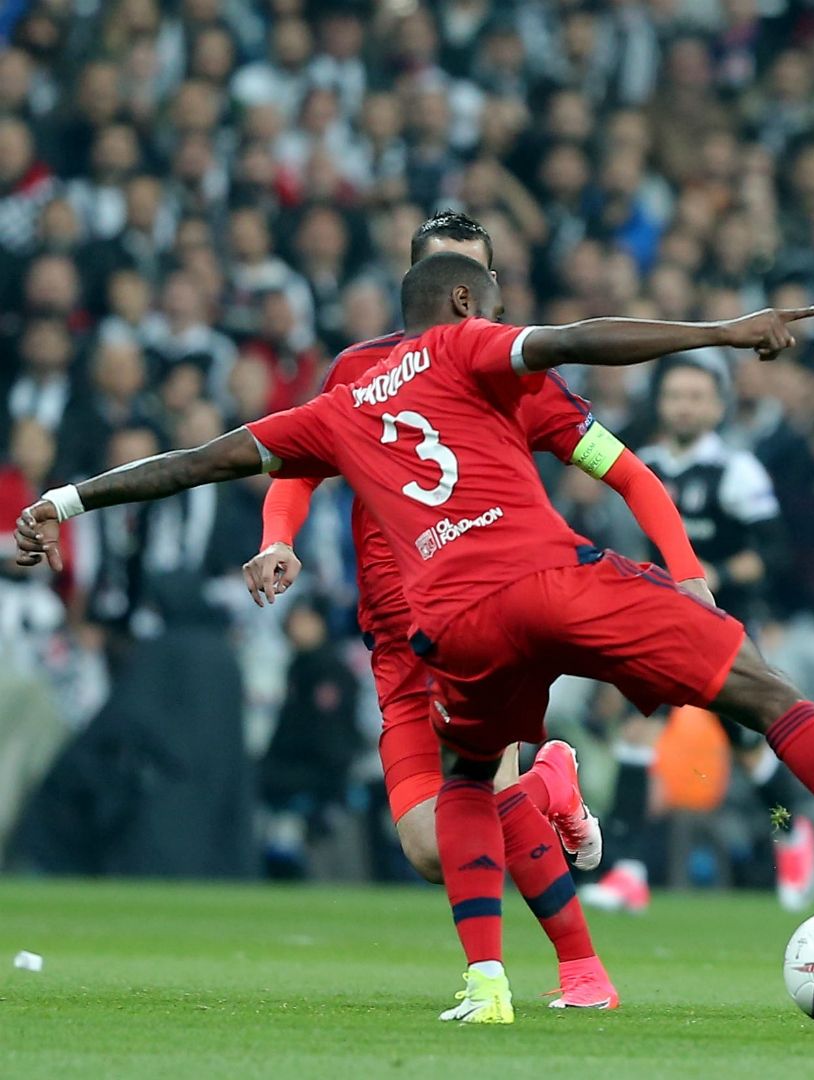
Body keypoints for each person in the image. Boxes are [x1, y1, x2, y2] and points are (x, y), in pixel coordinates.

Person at [15, 253, 814, 1026]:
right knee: (765, 695)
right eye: (489, 298)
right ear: (465, 306)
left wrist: (65, 498)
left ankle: (490, 980)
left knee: (467, 779)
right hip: (555, 579)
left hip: (450, 626)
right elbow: (579, 338)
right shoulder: (467, 350)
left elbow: (199, 461)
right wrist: (721, 331)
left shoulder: (332, 408)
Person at [239, 211, 710, 1008]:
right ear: (422, 283)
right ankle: (554, 784)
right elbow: (295, 461)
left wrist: (686, 570)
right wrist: (277, 535)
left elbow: (624, 470)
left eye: (475, 275)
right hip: (393, 634)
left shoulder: (513, 375)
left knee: (487, 791)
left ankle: (578, 973)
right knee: (430, 850)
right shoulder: (358, 371)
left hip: (484, 617)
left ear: (486, 292)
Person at [584, 357, 814, 916]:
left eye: (696, 396)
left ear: (717, 406)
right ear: (660, 405)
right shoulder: (643, 468)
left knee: (749, 750)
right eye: (675, 396)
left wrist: (719, 575)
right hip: (660, 629)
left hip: (723, 630)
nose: (685, 405)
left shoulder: (737, 472)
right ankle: (630, 871)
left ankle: (792, 834)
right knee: (635, 740)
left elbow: (777, 556)